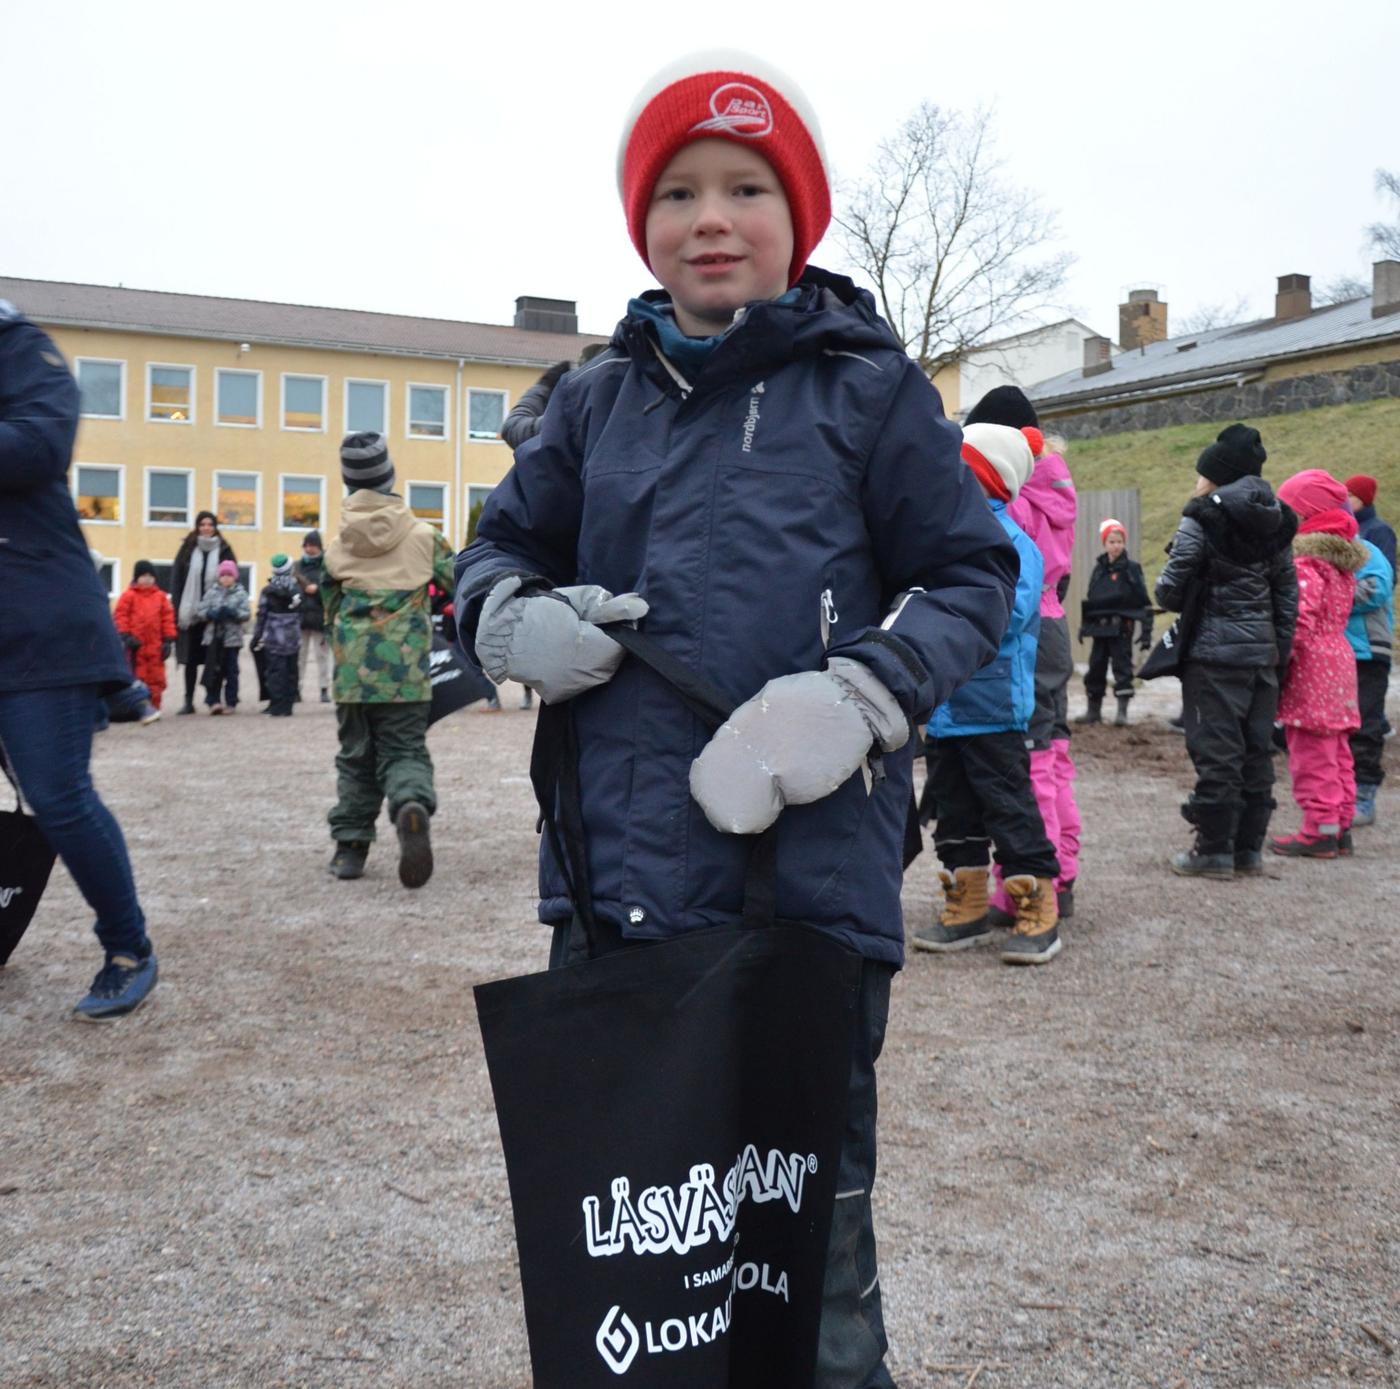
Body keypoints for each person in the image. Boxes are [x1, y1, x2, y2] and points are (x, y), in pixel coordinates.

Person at [454, 54, 1018, 1387]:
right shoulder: (590, 400)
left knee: (804, 1268)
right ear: (642, 228)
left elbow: (969, 575)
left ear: (800, 220)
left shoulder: (870, 390)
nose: (714, 216)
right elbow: (493, 549)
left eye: (749, 187)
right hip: (613, 892)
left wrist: (861, 694)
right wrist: (504, 617)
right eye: (682, 191)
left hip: (804, 904)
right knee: (639, 1268)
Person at [0, 299, 158, 1018]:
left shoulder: (19, 347)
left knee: (59, 795)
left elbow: (40, 440)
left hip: (37, 622)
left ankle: (129, 947)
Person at [912, 423, 1062, 965]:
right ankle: (967, 905)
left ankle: (1037, 906)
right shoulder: (943, 541)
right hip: (947, 710)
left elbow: (1010, 615)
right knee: (954, 813)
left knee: (1010, 809)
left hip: (992, 708)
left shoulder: (1012, 545)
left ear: (986, 482)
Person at [1156, 424, 1298, 878]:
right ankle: (1248, 851)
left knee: (1217, 750)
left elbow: (1170, 591)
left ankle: (1213, 851)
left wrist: (1173, 573)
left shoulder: (1202, 517)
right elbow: (1287, 596)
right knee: (1256, 751)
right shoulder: (1278, 518)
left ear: (1216, 475)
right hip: (1262, 660)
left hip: (1214, 656)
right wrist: (1279, 651)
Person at [965, 387, 1082, 924]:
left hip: (1024, 633)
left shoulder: (1011, 486)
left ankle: (1025, 888)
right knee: (1051, 755)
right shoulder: (1055, 482)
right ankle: (1064, 871)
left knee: (1023, 763)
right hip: (1054, 623)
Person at [323, 431, 455, 888]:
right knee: (403, 751)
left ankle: (350, 850)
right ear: (389, 476)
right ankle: (409, 805)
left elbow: (328, 609)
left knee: (356, 757)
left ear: (348, 484)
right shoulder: (424, 537)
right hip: (407, 670)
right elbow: (462, 584)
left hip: (352, 672)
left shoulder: (337, 546)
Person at [1271, 471, 1369, 858]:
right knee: (1337, 750)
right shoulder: (1341, 562)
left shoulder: (1308, 563)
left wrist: (1280, 660)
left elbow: (1299, 620)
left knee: (1312, 752)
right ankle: (1340, 824)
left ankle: (1319, 828)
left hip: (1314, 667)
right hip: (1340, 661)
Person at [1078, 518, 1152, 727]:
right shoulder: (1098, 570)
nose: (1116, 545)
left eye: (1119, 541)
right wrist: (1084, 627)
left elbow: (1143, 600)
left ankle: (1122, 713)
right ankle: (1093, 712)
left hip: (1121, 629)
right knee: (1095, 668)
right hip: (1099, 629)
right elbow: (1092, 600)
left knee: (1122, 668)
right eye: (1112, 541)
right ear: (1105, 543)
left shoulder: (1132, 569)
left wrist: (1146, 632)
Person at [1345, 527, 1393, 828]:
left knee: (1366, 723)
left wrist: (1330, 591)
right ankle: (1339, 792)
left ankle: (1363, 794)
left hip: (1368, 652)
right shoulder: (1303, 551)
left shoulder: (1366, 551)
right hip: (1329, 652)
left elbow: (1377, 589)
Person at [171, 510, 236, 714]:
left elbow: (233, 581)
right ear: (197, 527)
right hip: (190, 613)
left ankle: (213, 699)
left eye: (210, 524)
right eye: (202, 524)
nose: (206, 528)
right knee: (189, 659)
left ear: (215, 527)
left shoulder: (225, 550)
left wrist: (226, 608)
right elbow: (177, 580)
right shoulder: (188, 548)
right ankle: (188, 700)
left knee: (214, 658)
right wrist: (177, 608)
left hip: (214, 615)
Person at [113, 559, 177, 711]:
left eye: (150, 576)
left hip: (156, 645)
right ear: (136, 578)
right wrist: (126, 636)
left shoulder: (161, 597)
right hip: (136, 646)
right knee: (137, 676)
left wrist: (168, 640)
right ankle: (139, 706)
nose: (147, 579)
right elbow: (121, 617)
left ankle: (155, 706)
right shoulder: (128, 596)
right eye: (143, 576)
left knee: (156, 677)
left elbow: (167, 618)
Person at [197, 560, 250, 713]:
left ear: (235, 577)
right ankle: (213, 701)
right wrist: (210, 614)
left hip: (232, 640)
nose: (226, 578)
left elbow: (246, 613)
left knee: (232, 671)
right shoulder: (211, 592)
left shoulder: (241, 593)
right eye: (223, 575)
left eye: (229, 575)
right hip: (213, 638)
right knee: (213, 670)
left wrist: (234, 614)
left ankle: (231, 701)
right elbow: (200, 611)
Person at [253, 553, 303, 717]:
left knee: (275, 671)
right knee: (291, 671)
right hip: (292, 637)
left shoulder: (268, 590)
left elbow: (262, 614)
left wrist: (257, 635)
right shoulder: (296, 589)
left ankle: (277, 705)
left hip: (274, 637)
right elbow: (301, 611)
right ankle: (288, 706)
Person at [296, 529, 332, 703]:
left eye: (313, 545)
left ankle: (324, 688)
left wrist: (317, 591)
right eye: (307, 545)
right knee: (299, 656)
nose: (309, 549)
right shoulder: (297, 567)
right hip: (301, 617)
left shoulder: (327, 567)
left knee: (322, 656)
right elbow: (292, 590)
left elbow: (331, 590)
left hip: (320, 618)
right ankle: (297, 688)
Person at [1345, 474, 1397, 575]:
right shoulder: (1344, 527)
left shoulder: (1380, 530)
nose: (1345, 500)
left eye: (1350, 495)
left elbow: (1387, 574)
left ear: (1363, 499)